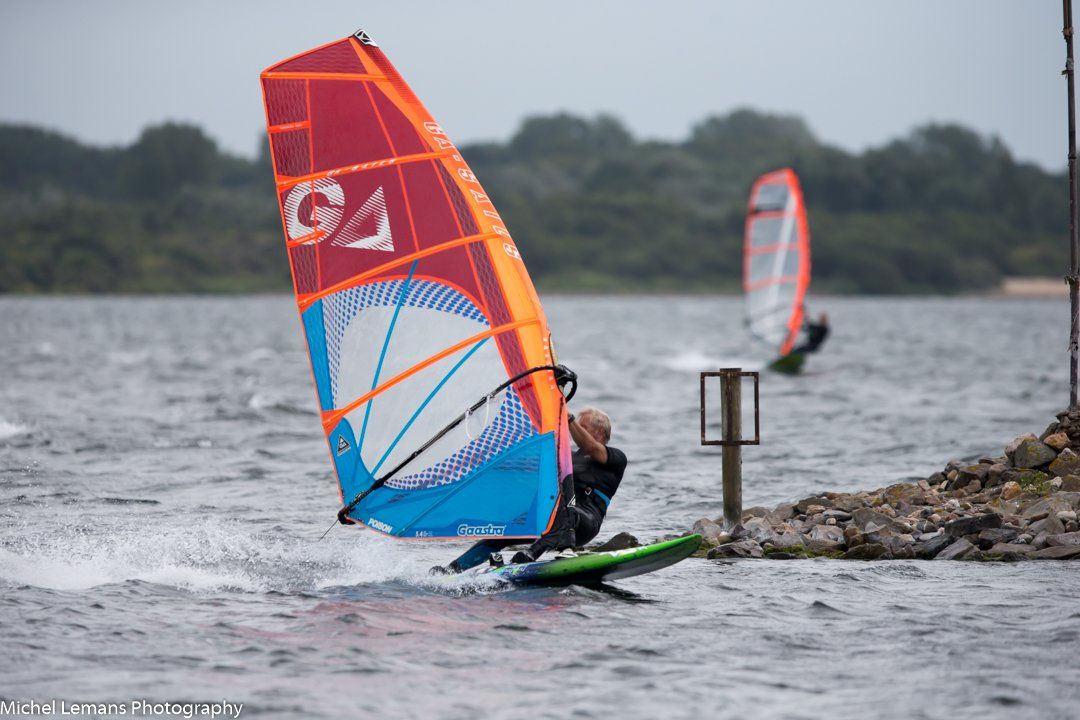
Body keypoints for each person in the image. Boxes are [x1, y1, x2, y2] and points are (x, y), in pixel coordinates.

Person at [434, 406, 627, 573]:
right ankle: (452, 570)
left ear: (600, 432)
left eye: (580, 426)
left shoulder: (615, 457)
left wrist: (568, 418)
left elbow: (592, 448)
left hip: (584, 523)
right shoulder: (567, 456)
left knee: (559, 506)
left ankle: (531, 554)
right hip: (551, 516)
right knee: (505, 531)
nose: (573, 429)